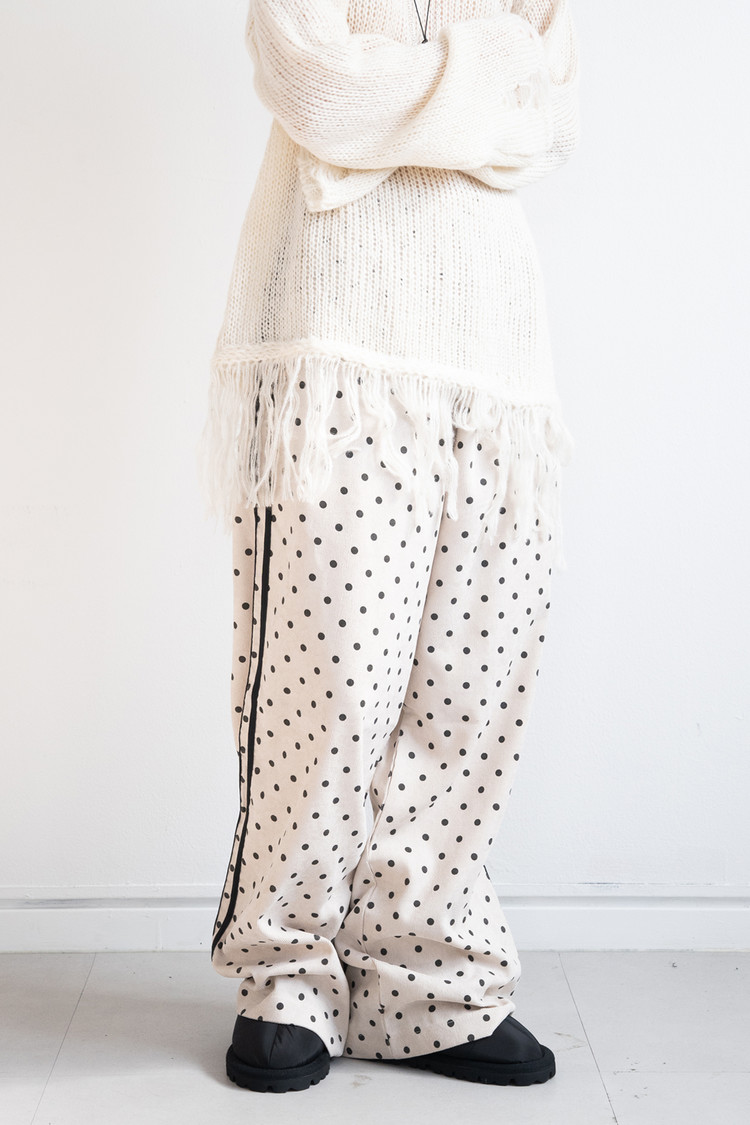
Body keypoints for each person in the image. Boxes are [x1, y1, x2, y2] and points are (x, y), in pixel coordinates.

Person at [196, 0, 581, 1094]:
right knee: (330, 688)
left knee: (469, 693)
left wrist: (397, 102)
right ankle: (288, 977)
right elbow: (317, 92)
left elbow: (548, 116)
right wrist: (480, 77)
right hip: (332, 340)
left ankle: (430, 986)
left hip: (496, 360)